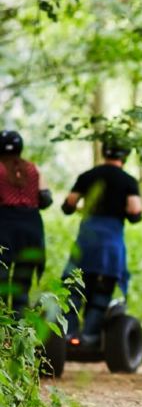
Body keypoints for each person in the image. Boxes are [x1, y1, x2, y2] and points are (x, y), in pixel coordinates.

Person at [61, 141, 142, 346]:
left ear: (103, 153)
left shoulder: (88, 176)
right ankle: (89, 337)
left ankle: (68, 335)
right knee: (102, 291)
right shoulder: (128, 181)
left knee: (74, 290)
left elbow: (69, 204)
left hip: (86, 240)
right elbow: (135, 211)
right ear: (124, 157)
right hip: (111, 244)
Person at [0, 130, 53, 314]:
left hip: (4, 227)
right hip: (31, 229)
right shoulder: (32, 169)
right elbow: (46, 199)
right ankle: (19, 332)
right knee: (22, 284)